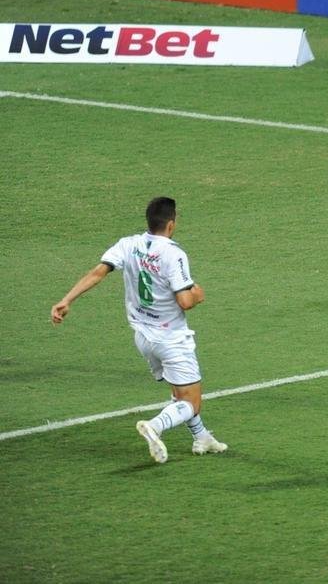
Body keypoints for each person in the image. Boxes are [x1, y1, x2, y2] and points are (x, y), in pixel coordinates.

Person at [50, 197, 227, 463]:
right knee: (191, 403)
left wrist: (67, 300)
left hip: (143, 337)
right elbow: (185, 301)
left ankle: (202, 437)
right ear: (171, 224)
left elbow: (98, 273)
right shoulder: (173, 254)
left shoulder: (128, 244)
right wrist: (198, 295)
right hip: (171, 339)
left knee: (179, 392)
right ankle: (155, 426)